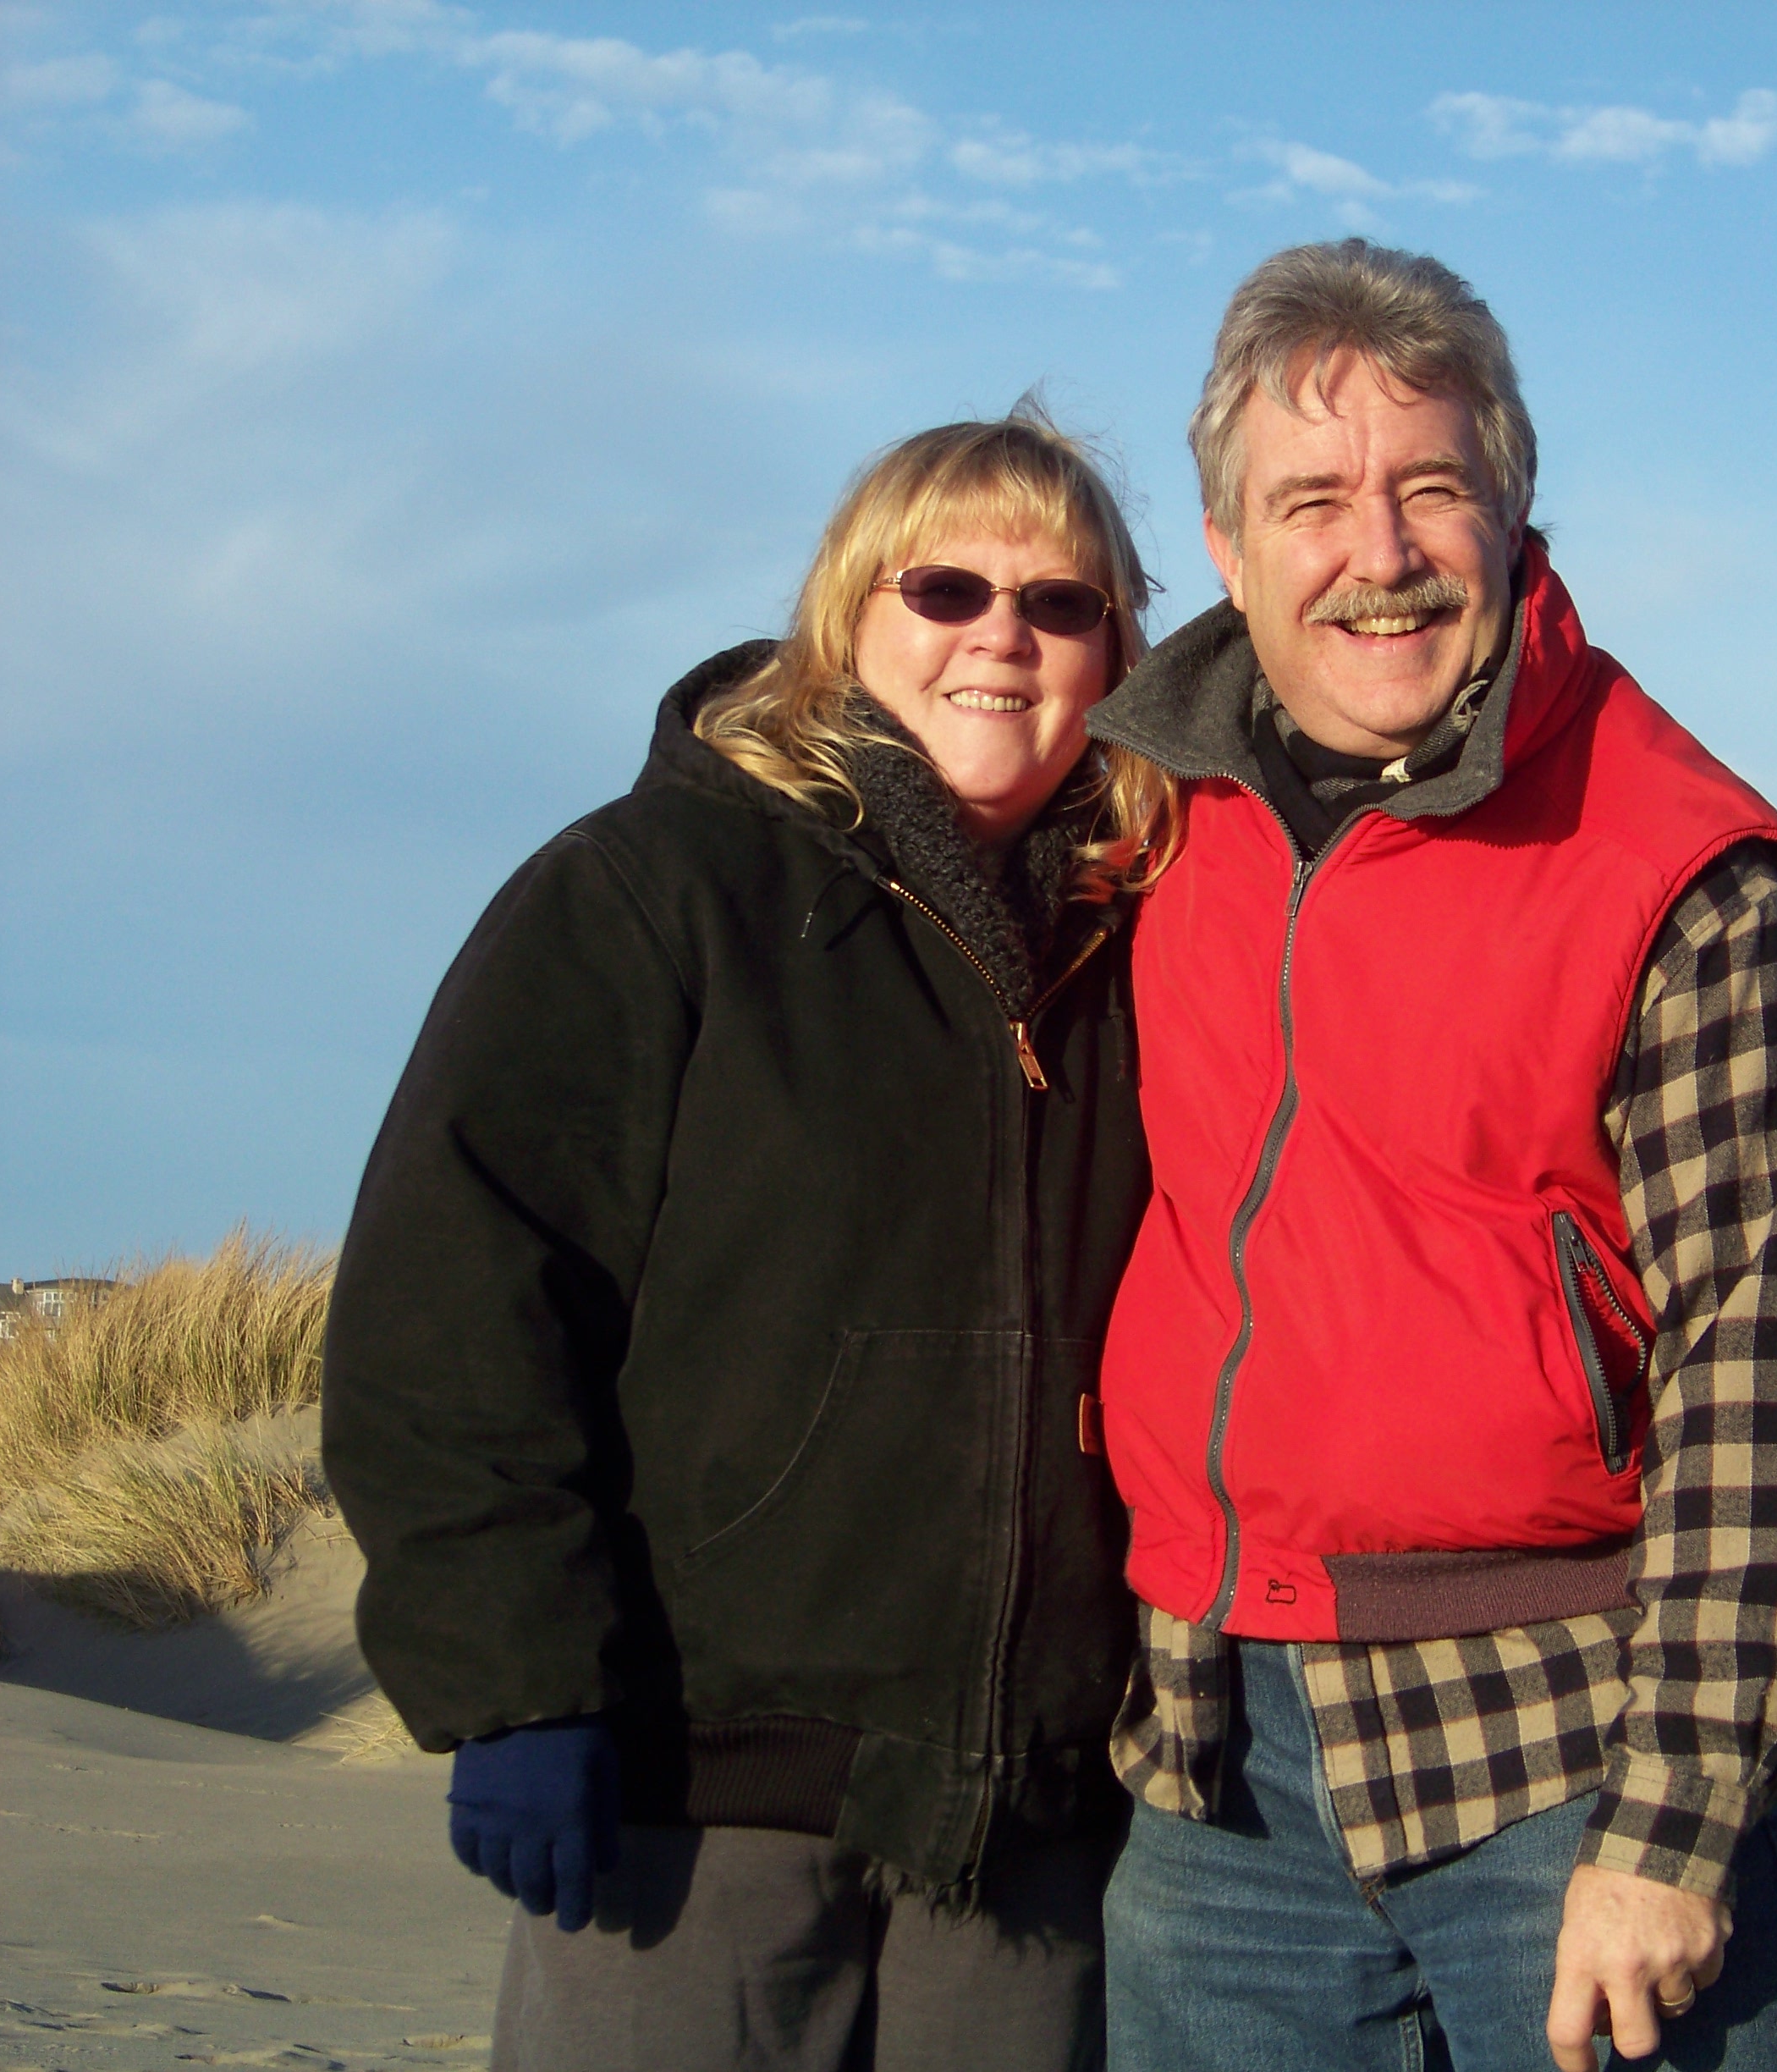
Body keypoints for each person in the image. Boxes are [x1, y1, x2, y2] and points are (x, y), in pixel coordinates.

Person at [1085, 241, 1777, 2072]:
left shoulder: (1692, 876)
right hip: (1216, 1772)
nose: (1377, 554)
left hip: (1568, 1756)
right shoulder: (1158, 814)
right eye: (1312, 502)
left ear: (1515, 518)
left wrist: (1678, 1822)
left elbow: (1766, 1368)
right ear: (1227, 551)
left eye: (1430, 488)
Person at [322, 410, 1173, 2072]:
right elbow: (457, 1299)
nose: (1001, 635)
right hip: (690, 1796)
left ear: (1117, 654)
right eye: (946, 588)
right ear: (850, 614)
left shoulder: (1152, 941)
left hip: (1042, 1823)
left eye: (1060, 604)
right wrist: (517, 1687)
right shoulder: (651, 890)